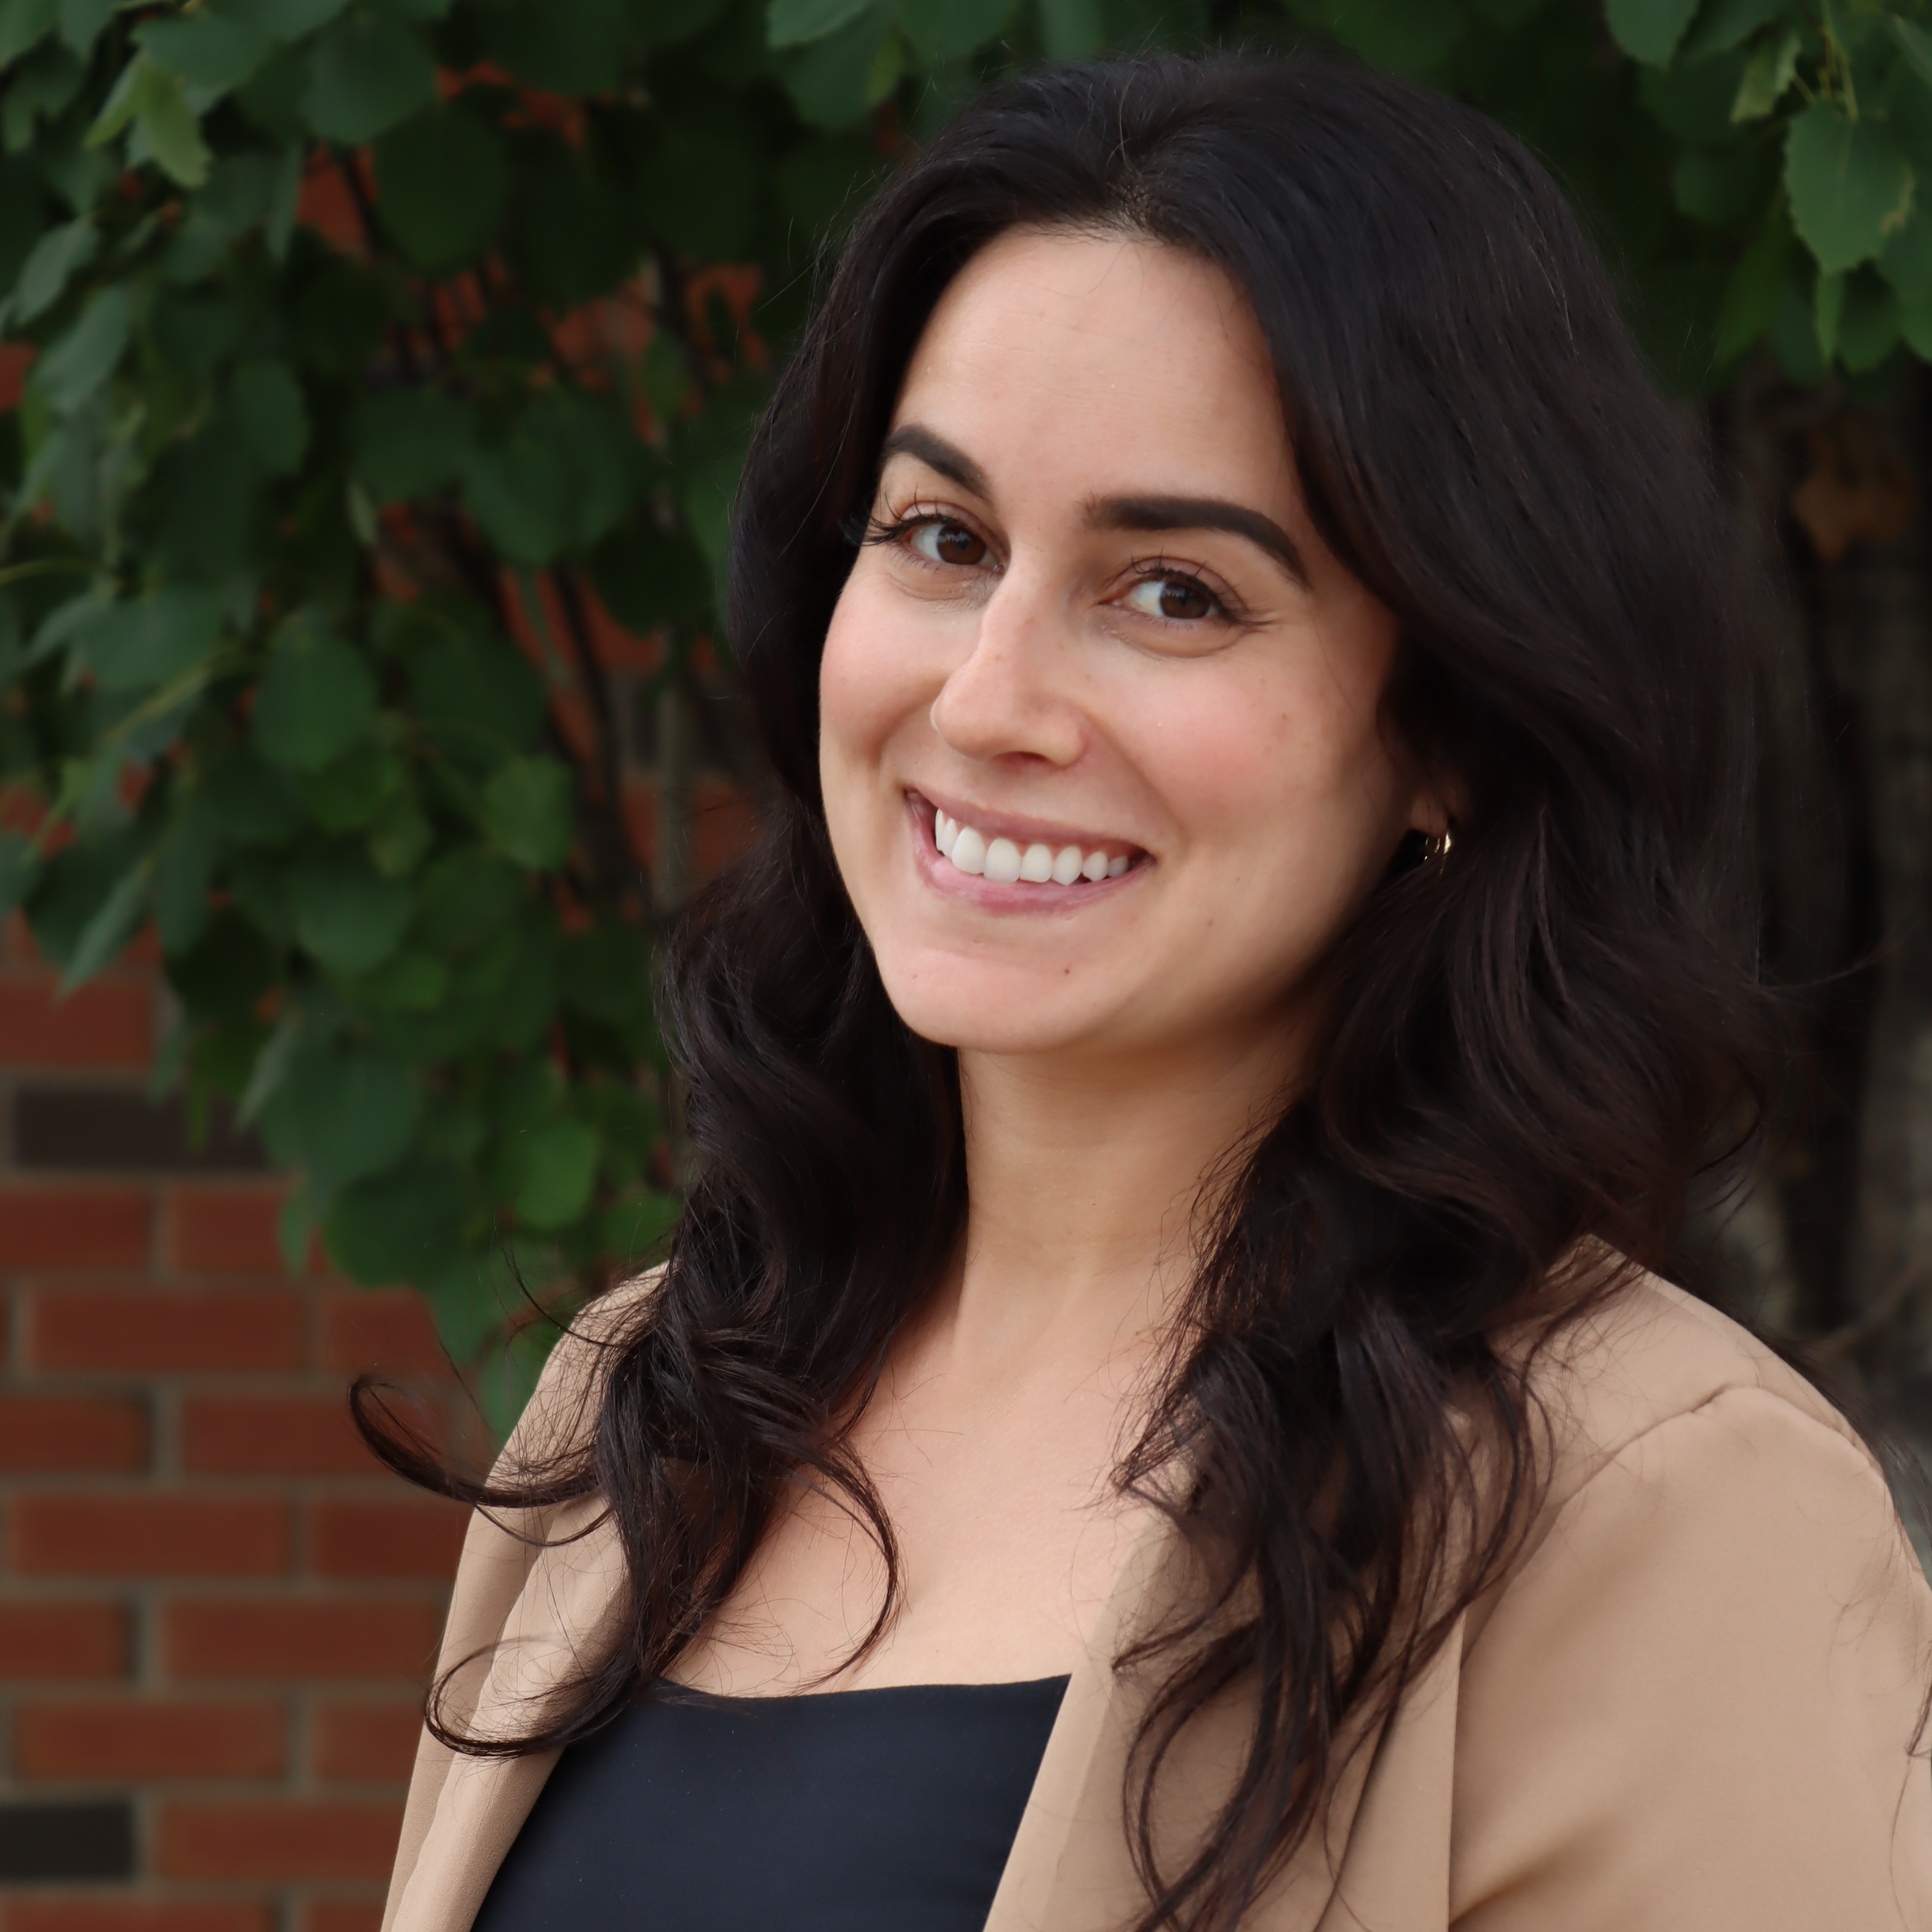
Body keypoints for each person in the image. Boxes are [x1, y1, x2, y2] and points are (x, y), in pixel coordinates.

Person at [373, 50, 1932, 1932]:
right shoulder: (652, 1406)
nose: (987, 701)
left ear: (1453, 724)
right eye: (942, 542)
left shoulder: (1654, 1511)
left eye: (1175, 589)